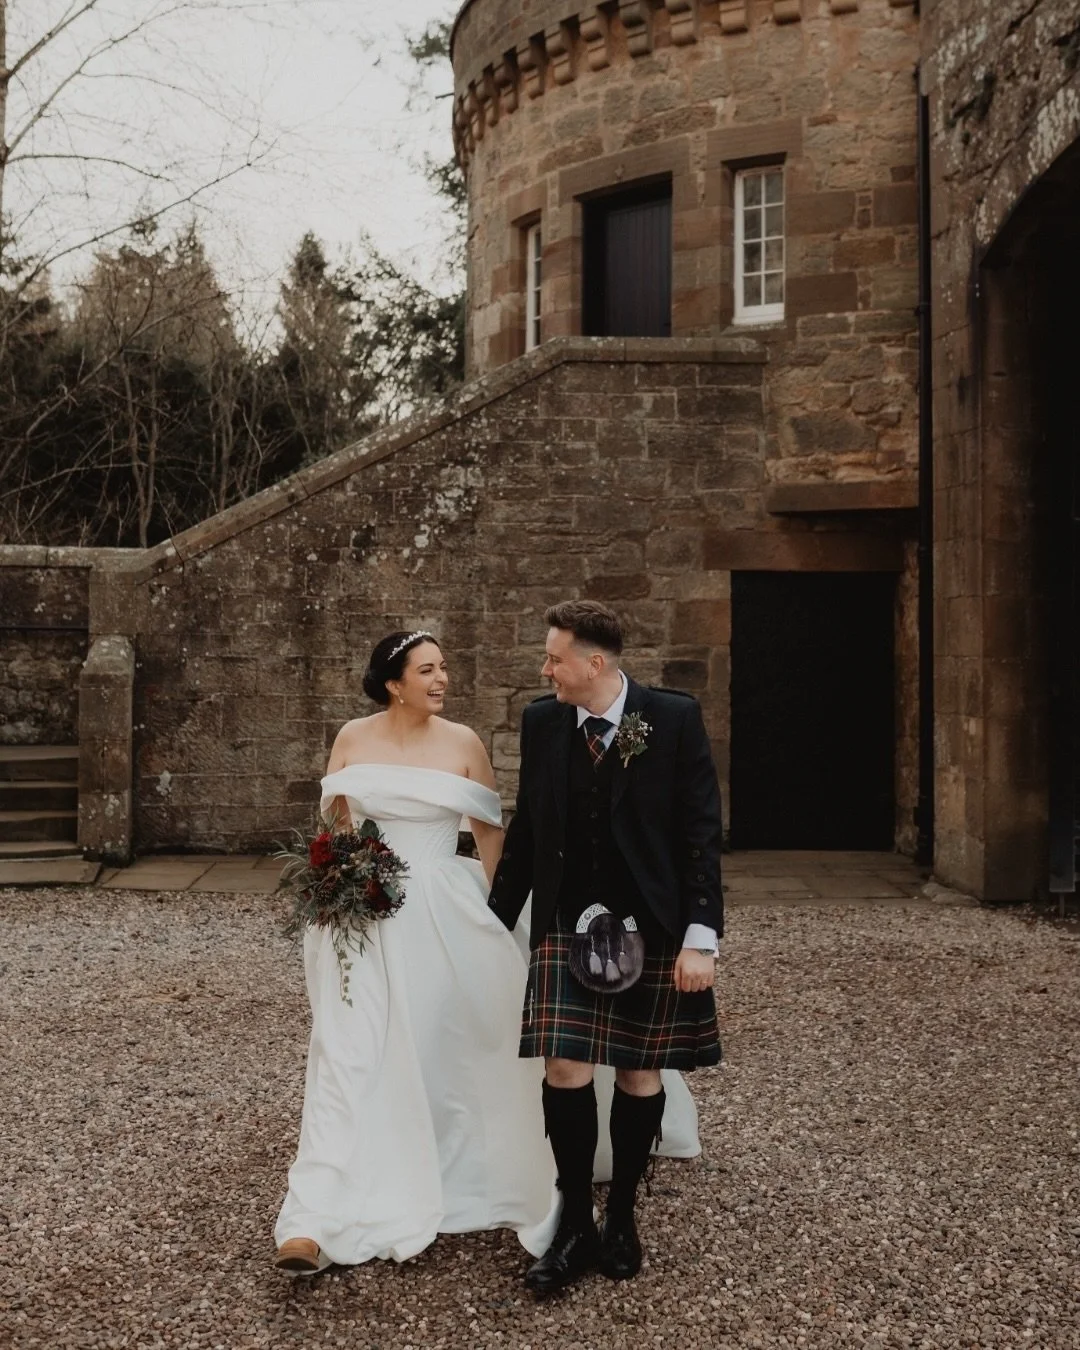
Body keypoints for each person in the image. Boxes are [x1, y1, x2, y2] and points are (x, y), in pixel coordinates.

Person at [273, 630, 556, 1272]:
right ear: (394, 682)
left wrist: (508, 926)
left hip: (444, 908)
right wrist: (339, 891)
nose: (442, 679)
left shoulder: (464, 743)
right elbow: (337, 829)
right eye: (427, 670)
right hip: (365, 917)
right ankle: (315, 1217)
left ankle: (460, 1170)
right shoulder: (351, 737)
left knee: (450, 1042)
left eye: (445, 668)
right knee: (348, 1050)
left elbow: (490, 840)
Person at [488, 600, 723, 1293]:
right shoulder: (542, 721)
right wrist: (494, 919)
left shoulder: (671, 719)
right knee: (563, 1067)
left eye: (555, 658)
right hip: (569, 921)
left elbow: (700, 831)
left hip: (650, 925)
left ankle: (622, 1214)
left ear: (595, 663)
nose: (545, 669)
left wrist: (700, 937)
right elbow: (528, 830)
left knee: (638, 1073)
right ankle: (573, 1222)